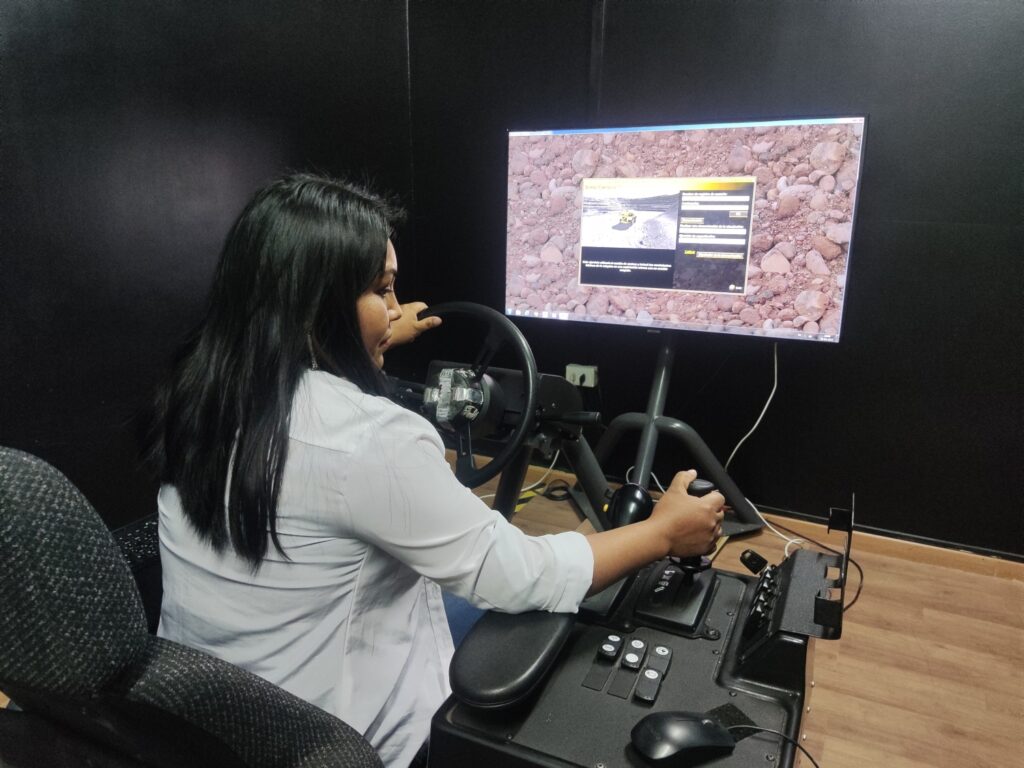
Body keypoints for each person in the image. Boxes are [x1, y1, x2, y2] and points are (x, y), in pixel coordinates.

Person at [149, 173, 724, 767]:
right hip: (332, 741)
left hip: (210, 720)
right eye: (382, 290)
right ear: (319, 306)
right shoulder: (373, 439)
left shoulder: (200, 391)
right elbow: (525, 576)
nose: (397, 308)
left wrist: (369, 336)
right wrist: (662, 532)